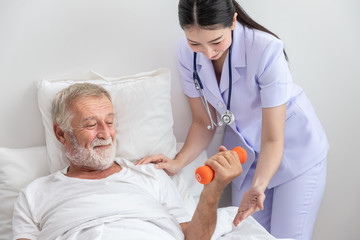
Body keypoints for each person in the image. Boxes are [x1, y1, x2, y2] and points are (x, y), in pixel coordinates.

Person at [136, 1, 329, 239]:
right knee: (244, 234)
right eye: (195, 42)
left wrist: (258, 187)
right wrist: (178, 162)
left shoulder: (266, 49)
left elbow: (272, 138)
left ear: (233, 22)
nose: (208, 52)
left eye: (216, 41)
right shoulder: (187, 53)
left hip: (293, 152)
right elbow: (203, 121)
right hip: (245, 154)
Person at [12, 83, 243, 240]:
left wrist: (212, 191)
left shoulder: (149, 175)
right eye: (91, 125)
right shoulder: (34, 194)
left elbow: (193, 238)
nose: (105, 134)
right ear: (61, 134)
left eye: (109, 122)